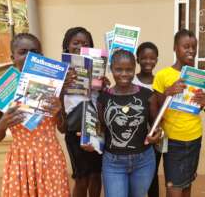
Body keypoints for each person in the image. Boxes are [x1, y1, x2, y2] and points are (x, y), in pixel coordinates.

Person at [0, 33, 70, 197]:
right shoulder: (3, 89)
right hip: (21, 160)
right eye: (23, 52)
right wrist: (3, 122)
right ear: (13, 57)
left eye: (34, 52)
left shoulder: (53, 85)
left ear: (41, 57)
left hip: (50, 157)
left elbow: (63, 129)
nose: (29, 57)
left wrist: (58, 112)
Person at [150, 29, 205, 197]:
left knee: (187, 183)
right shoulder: (163, 75)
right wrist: (169, 92)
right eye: (186, 46)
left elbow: (198, 107)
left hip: (195, 136)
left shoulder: (199, 76)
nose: (191, 50)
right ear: (175, 48)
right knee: (173, 187)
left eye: (194, 47)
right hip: (173, 139)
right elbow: (158, 107)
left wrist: (204, 101)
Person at [97, 50, 161, 197]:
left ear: (134, 69)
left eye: (129, 69)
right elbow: (100, 128)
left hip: (144, 161)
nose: (124, 74)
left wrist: (157, 135)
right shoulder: (103, 97)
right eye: (119, 69)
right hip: (113, 163)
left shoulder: (147, 95)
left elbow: (156, 126)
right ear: (111, 69)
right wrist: (89, 137)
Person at [61, 27, 103, 197]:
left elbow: (99, 99)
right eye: (75, 43)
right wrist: (62, 86)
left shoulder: (97, 67)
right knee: (81, 178)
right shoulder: (60, 70)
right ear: (67, 46)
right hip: (74, 128)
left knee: (95, 175)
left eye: (85, 44)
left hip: (95, 126)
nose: (80, 46)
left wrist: (103, 85)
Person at [133, 42, 161, 197]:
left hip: (154, 134)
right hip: (135, 135)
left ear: (156, 60)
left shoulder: (160, 81)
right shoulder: (131, 80)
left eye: (152, 58)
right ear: (137, 59)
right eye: (144, 58)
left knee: (153, 172)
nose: (148, 62)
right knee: (137, 174)